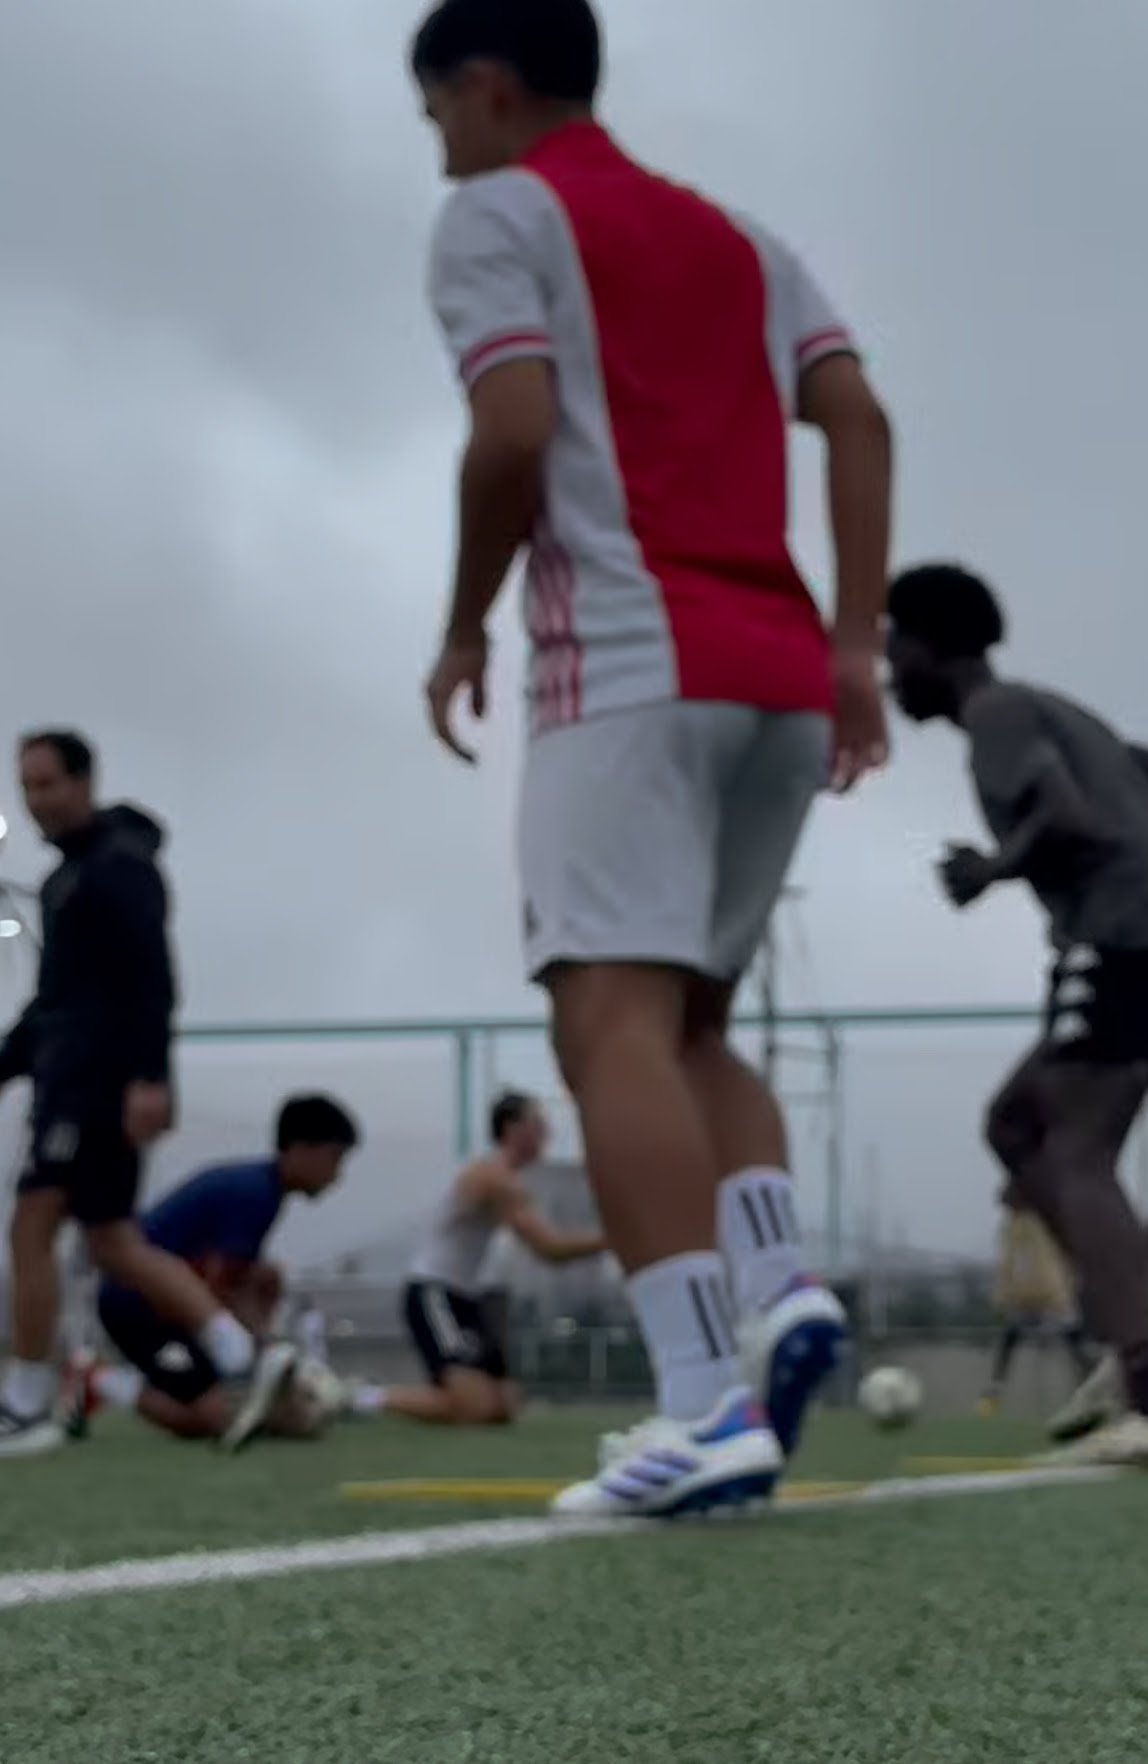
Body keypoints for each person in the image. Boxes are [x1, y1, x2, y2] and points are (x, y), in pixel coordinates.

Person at [410, 0, 892, 1515]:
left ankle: (699, 1401)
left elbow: (510, 434)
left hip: (626, 662)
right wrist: (856, 648)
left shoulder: (498, 215)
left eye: (436, 113)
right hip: (781, 677)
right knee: (692, 1028)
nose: (439, 147)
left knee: (605, 1020)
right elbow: (857, 416)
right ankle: (780, 1285)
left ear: (488, 88)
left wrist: (463, 627)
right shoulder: (744, 240)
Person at [887, 562, 1148, 1466]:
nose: (888, 668)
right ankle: (1127, 1322)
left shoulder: (997, 715)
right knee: (1016, 1125)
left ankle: (1146, 1375)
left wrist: (990, 869)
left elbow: (1067, 814)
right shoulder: (1059, 711)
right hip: (1128, 932)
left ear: (931, 646)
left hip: (1121, 936)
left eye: (893, 644)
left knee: (1075, 1147)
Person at [0, 731, 291, 1456]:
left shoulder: (119, 866)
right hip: (70, 1080)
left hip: (94, 1088)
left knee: (33, 1225)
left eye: (47, 784)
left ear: (84, 782)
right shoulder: (65, 881)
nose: (36, 800)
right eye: (26, 786)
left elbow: (153, 977)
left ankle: (26, 1402)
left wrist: (152, 1078)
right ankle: (238, 1353)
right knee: (114, 1242)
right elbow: (53, 1003)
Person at [66, 1094, 360, 1449]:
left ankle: (234, 1377)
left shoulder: (259, 1186)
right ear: (300, 1149)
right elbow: (221, 1287)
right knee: (213, 1419)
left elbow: (239, 1280)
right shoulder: (254, 1194)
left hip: (169, 1304)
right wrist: (265, 1347)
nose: (337, 1175)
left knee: (268, 1278)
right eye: (335, 1158)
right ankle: (96, 1379)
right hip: (134, 1307)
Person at [363, 1091, 605, 1426]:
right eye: (538, 1124)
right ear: (512, 1129)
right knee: (474, 1409)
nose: (546, 1133)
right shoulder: (495, 1180)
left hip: (465, 1297)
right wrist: (616, 1239)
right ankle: (360, 1397)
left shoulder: (506, 1181)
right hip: (434, 1291)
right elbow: (550, 1249)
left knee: (504, 1406)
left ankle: (440, 1396)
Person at [978, 1201, 1094, 1416]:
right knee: (1014, 1336)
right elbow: (1008, 1260)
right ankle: (994, 1390)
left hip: (1048, 1295)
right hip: (1034, 1295)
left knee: (1071, 1339)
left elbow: (1062, 1252)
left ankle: (1088, 1390)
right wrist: (1004, 1293)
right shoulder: (1016, 1225)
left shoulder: (1041, 1219)